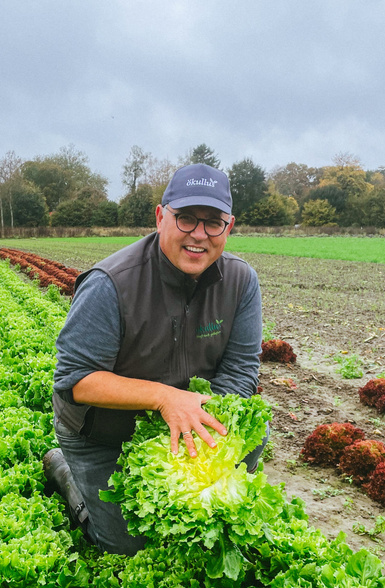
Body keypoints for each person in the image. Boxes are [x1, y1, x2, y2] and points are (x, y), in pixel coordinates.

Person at [45, 163, 266, 555]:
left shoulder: (241, 282)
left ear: (229, 227)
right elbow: (76, 380)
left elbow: (241, 372)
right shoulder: (111, 283)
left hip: (181, 424)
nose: (199, 235)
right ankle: (66, 473)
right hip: (103, 433)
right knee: (133, 551)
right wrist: (165, 398)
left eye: (213, 223)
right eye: (186, 219)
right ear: (162, 217)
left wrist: (197, 445)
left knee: (252, 438)